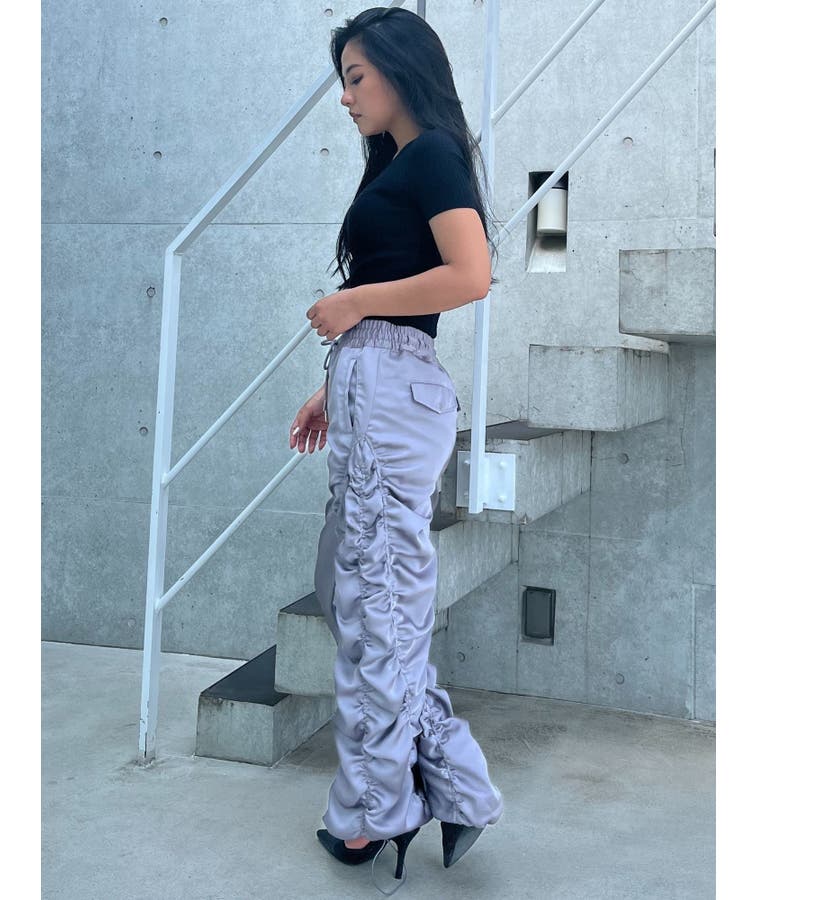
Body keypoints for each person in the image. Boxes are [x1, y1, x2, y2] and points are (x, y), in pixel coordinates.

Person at [288, 7, 504, 893]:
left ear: (402, 70)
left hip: (391, 387)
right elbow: (395, 303)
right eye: (343, 80)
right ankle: (450, 783)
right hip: (371, 384)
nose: (346, 97)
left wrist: (355, 305)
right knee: (358, 594)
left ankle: (373, 814)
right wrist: (332, 382)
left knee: (376, 604)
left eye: (356, 77)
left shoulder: (436, 155)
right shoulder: (401, 164)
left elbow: (471, 274)